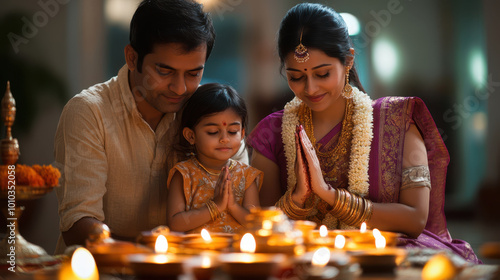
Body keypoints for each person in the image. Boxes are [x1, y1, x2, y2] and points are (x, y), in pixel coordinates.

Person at [247, 3, 481, 263]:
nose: (310, 88)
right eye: (296, 77)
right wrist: (297, 199)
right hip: (306, 256)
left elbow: (415, 219)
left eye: (322, 73)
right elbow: (264, 227)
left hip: (386, 249)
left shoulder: (397, 121)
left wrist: (330, 196)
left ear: (348, 60)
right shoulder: (272, 133)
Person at [53, 0, 248, 253]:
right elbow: (77, 225)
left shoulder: (210, 113)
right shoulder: (90, 112)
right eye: (164, 71)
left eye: (193, 74)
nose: (180, 89)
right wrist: (155, 254)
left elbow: (242, 204)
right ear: (132, 58)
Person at [167, 83, 262, 234]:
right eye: (212, 132)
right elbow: (175, 223)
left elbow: (256, 225)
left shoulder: (247, 176)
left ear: (242, 134)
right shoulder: (184, 174)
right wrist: (215, 206)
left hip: (237, 253)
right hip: (197, 253)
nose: (224, 139)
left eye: (232, 131)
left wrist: (233, 206)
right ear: (191, 136)